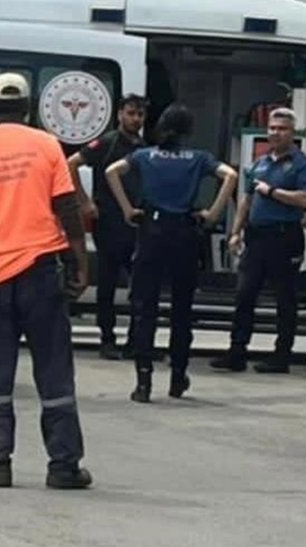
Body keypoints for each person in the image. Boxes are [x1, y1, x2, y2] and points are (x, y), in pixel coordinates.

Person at [0, 72, 92, 490]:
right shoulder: (47, 146)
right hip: (41, 273)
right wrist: (81, 264)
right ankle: (63, 466)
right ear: (28, 109)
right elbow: (68, 211)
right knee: (54, 372)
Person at [105, 104, 238, 402]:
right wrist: (212, 214)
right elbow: (230, 175)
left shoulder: (144, 155)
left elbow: (111, 171)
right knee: (181, 309)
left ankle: (143, 381)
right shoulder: (198, 158)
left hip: (151, 234)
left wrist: (128, 209)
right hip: (185, 235)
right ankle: (178, 376)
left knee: (145, 308)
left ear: (161, 127)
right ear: (188, 131)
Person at [211, 108, 306, 373]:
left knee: (284, 300)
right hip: (256, 238)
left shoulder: (302, 164)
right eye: (273, 128)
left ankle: (281, 356)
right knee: (244, 295)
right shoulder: (259, 163)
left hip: (284, 236)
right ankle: (237, 352)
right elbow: (246, 200)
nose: (276, 133)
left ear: (293, 133)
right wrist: (235, 232)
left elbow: (305, 199)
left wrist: (273, 192)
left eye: (283, 128)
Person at [68, 95, 148, 360]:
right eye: (131, 113)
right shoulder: (107, 143)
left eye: (139, 114)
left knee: (140, 284)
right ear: (120, 115)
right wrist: (84, 201)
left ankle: (136, 340)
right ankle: (107, 339)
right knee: (107, 283)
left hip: (136, 222)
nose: (135, 119)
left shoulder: (144, 148)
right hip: (110, 222)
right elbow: (72, 164)